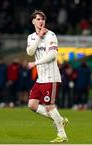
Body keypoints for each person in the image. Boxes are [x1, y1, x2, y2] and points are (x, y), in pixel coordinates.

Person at [26, 10, 68, 143]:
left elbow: (52, 55)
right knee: (32, 105)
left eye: (42, 19)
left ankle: (62, 134)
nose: (41, 21)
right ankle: (60, 120)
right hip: (41, 78)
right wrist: (38, 36)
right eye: (38, 19)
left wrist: (35, 63)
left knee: (50, 106)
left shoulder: (51, 35)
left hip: (51, 76)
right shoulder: (31, 37)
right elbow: (30, 51)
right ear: (33, 21)